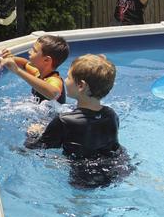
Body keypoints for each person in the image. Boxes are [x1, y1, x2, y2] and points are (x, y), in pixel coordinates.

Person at [25, 54, 132, 187]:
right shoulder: (111, 115)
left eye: (69, 77)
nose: (65, 80)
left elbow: (35, 148)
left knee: (78, 206)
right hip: (119, 168)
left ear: (81, 86)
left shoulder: (64, 121)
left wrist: (32, 133)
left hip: (84, 178)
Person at [0, 35, 70, 104]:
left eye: (34, 51)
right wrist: (11, 58)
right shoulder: (37, 73)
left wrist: (17, 71)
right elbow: (24, 64)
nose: (29, 52)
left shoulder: (55, 80)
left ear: (46, 60)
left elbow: (54, 94)